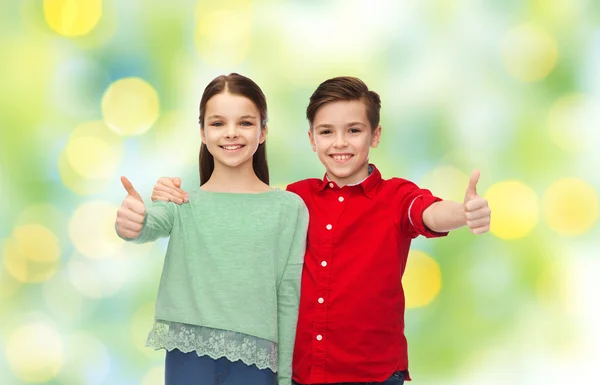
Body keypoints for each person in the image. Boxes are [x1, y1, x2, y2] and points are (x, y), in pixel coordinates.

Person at [149, 76, 491, 385]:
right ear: (312, 139)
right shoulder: (294, 198)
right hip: (303, 374)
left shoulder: (396, 196)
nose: (340, 143)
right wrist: (174, 195)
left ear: (375, 135)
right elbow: (239, 215)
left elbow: (428, 213)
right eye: (327, 132)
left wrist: (463, 213)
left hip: (373, 374)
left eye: (354, 130)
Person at [115, 73, 309, 385]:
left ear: (263, 132)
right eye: (218, 123)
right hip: (188, 359)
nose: (231, 133)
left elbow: (288, 296)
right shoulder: (180, 201)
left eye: (245, 123)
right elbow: (148, 224)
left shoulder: (289, 208)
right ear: (203, 133)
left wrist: (285, 377)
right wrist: (131, 221)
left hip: (257, 363)